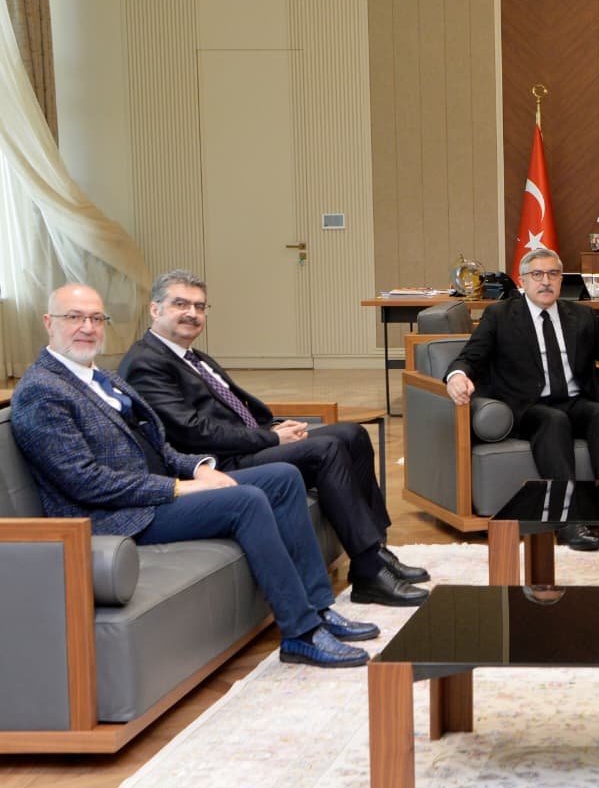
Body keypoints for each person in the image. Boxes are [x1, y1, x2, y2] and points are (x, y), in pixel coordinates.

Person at [10, 285, 375, 668]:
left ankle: (319, 608)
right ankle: (300, 633)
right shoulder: (42, 391)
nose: (87, 327)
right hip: (116, 516)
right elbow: (86, 482)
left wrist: (199, 467)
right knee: (245, 501)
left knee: (282, 478)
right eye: (74, 317)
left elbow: (158, 444)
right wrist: (180, 487)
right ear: (49, 323)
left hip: (155, 493)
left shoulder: (104, 377)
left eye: (96, 318)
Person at [118, 269, 428, 608]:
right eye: (181, 304)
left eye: (200, 306)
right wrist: (269, 438)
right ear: (155, 309)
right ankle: (369, 572)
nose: (192, 313)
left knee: (352, 434)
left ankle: (377, 550)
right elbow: (192, 431)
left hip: (243, 444)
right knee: (326, 448)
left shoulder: (192, 356)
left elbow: (231, 410)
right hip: (217, 464)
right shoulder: (147, 362)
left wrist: (277, 427)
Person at [445, 247, 599, 551]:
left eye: (553, 274)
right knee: (553, 420)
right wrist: (457, 376)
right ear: (522, 281)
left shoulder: (581, 316)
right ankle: (566, 522)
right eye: (537, 274)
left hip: (573, 401)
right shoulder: (500, 316)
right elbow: (470, 357)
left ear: (562, 280)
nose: (545, 281)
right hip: (527, 408)